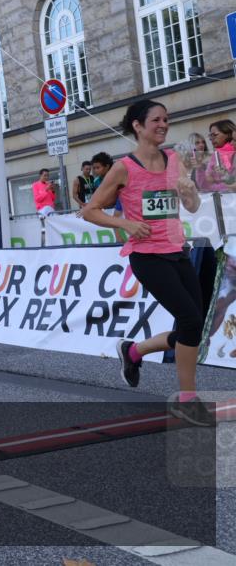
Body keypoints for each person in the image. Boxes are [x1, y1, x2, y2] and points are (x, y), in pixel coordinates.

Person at [81, 100, 212, 427]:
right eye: (156, 120)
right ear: (138, 126)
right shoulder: (124, 167)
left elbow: (193, 206)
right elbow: (90, 210)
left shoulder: (174, 160)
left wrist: (188, 190)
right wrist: (125, 225)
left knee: (190, 326)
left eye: (166, 119)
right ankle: (187, 400)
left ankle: (133, 351)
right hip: (146, 256)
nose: (164, 125)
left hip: (177, 250)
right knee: (190, 320)